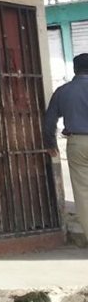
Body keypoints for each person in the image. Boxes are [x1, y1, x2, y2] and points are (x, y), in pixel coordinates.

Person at [44, 53, 88, 227]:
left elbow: (49, 121)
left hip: (77, 144)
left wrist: (50, 144)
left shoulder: (63, 91)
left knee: (83, 193)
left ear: (74, 69)